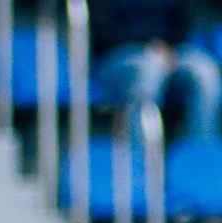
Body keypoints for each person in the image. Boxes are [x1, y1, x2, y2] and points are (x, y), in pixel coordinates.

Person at [94, 2, 221, 142]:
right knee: (149, 69)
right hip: (119, 53)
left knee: (206, 71)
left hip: (170, 50)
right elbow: (102, 31)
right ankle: (142, 157)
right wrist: (147, 46)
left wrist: (165, 47)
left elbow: (182, 21)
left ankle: (200, 155)